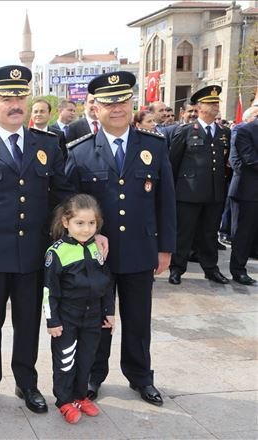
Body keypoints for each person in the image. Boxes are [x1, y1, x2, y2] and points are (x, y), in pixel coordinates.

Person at [0, 65, 77, 416]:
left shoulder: (48, 144)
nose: (15, 104)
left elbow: (63, 195)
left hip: (33, 255)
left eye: (20, 96)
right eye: (6, 98)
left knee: (28, 324)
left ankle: (27, 383)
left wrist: (89, 227)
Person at [65, 71, 176, 407]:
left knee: (139, 318)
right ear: (95, 108)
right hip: (95, 254)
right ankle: (92, 377)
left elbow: (165, 202)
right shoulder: (79, 151)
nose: (116, 108)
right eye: (108, 102)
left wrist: (166, 248)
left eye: (122, 101)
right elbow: (68, 203)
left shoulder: (153, 146)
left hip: (141, 250)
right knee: (97, 320)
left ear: (132, 103)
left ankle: (141, 377)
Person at [44, 194, 114, 424]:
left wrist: (109, 311)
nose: (86, 229)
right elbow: (49, 291)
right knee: (66, 360)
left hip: (93, 317)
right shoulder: (56, 253)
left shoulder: (97, 248)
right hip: (67, 318)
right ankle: (64, 400)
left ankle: (80, 396)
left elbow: (107, 282)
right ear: (66, 223)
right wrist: (52, 321)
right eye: (80, 223)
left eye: (91, 223)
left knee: (86, 359)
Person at [168, 85, 231, 285]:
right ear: (199, 107)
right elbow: (173, 163)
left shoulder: (224, 133)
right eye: (210, 103)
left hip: (214, 193)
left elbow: (225, 163)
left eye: (216, 103)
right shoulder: (186, 131)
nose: (215, 107)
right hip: (188, 193)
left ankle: (211, 269)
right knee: (184, 233)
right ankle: (177, 268)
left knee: (210, 233)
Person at [228, 117, 258, 285]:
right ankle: (238, 270)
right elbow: (249, 158)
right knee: (245, 233)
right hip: (251, 192)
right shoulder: (246, 130)